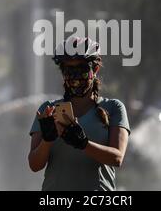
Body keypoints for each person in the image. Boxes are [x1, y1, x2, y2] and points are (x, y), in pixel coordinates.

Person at [28, 37, 131, 191]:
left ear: (95, 69)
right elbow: (35, 165)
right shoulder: (48, 109)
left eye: (81, 69)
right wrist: (48, 140)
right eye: (69, 70)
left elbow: (117, 158)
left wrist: (83, 143)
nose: (74, 76)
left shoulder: (114, 107)